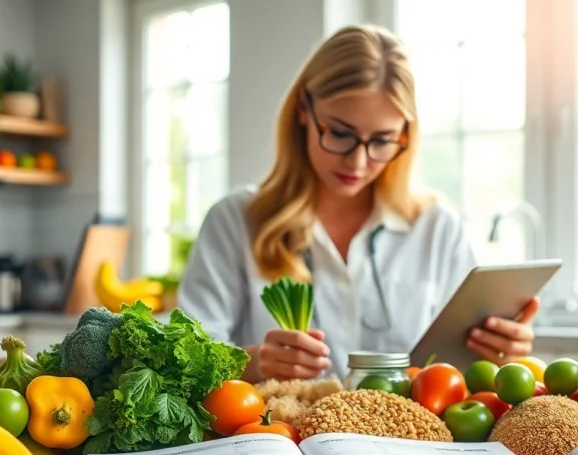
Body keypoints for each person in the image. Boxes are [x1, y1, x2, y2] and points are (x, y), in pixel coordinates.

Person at [178, 24, 539, 384]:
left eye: (382, 141)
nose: (358, 162)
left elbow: (457, 372)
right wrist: (253, 362)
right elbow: (184, 358)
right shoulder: (235, 220)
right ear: (304, 109)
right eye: (339, 133)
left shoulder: (435, 226)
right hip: (276, 436)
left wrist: (499, 349)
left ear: (405, 136)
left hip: (407, 438)